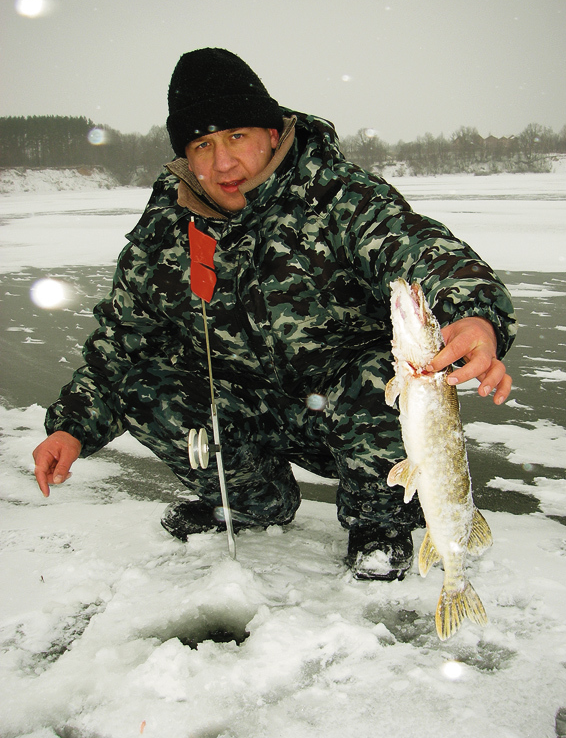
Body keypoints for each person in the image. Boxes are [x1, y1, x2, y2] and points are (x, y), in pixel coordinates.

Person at [33, 48, 516, 581]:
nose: (222, 163)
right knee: (146, 386)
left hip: (348, 420)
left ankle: (380, 521)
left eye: (236, 136)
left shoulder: (337, 197)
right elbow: (124, 340)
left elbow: (422, 251)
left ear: (272, 130)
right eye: (202, 145)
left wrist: (474, 317)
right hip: (249, 418)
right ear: (185, 158)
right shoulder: (163, 236)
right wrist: (72, 428)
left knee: (389, 372)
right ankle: (251, 502)